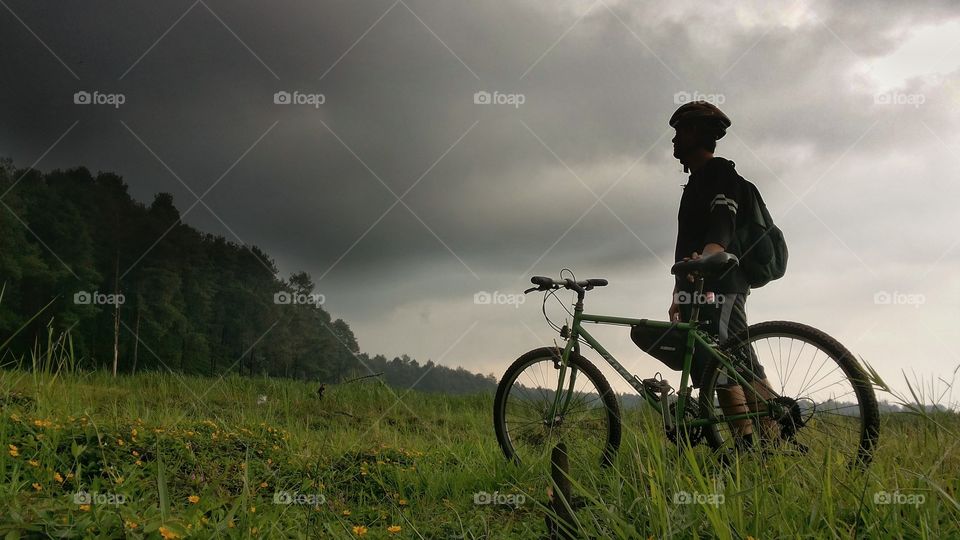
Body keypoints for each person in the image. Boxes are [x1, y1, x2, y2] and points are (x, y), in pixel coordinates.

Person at [667, 100, 778, 448]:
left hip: (721, 284)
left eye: (679, 132)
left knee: (730, 363)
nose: (673, 140)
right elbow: (686, 246)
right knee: (729, 364)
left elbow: (723, 221)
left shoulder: (720, 174)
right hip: (697, 287)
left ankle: (761, 441)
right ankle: (758, 445)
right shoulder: (696, 183)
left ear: (696, 134)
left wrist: (713, 254)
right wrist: (677, 294)